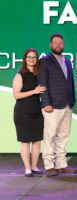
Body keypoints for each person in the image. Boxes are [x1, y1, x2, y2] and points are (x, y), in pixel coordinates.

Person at [38, 33, 77, 176]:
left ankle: (61, 164)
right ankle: (49, 165)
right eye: (55, 43)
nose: (58, 45)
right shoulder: (45, 61)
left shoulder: (67, 61)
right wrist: (46, 103)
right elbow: (42, 83)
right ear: (50, 45)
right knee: (50, 136)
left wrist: (72, 100)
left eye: (60, 43)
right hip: (52, 105)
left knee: (64, 136)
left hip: (67, 104)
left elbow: (70, 83)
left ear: (63, 45)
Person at [13, 49, 46, 177]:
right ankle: (27, 169)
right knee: (25, 141)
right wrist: (34, 91)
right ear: (25, 59)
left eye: (34, 57)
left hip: (37, 111)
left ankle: (34, 166)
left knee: (37, 141)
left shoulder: (39, 74)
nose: (32, 59)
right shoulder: (20, 75)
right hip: (23, 112)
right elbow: (16, 95)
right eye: (29, 57)